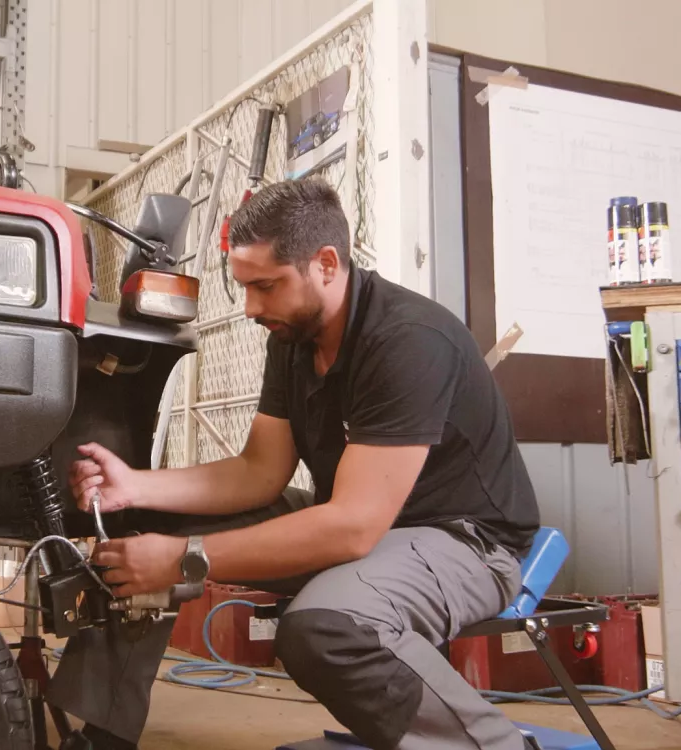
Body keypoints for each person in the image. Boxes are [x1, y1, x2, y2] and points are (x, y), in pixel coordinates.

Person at [50, 179, 542, 750]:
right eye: (244, 287)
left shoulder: (408, 341)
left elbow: (354, 527)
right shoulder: (292, 337)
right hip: (363, 525)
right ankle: (103, 737)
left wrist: (184, 560)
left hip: (465, 542)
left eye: (266, 286)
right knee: (144, 529)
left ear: (326, 264)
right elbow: (259, 472)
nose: (252, 308)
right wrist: (135, 487)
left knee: (327, 630)